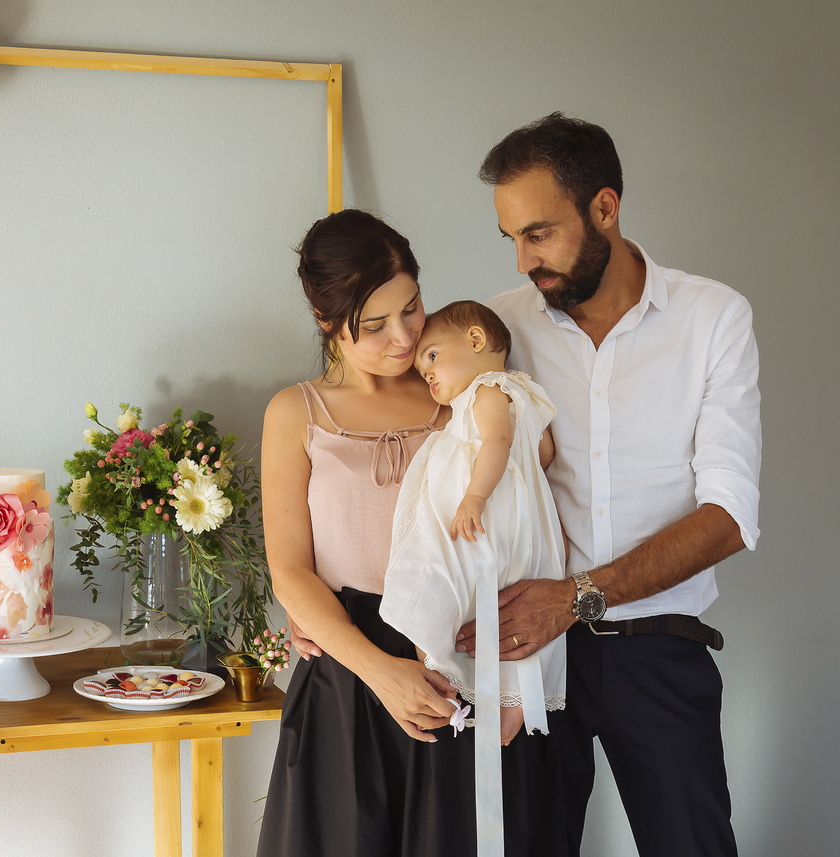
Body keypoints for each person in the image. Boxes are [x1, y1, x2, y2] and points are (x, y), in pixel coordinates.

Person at [462, 112, 761, 857]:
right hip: (531, 652)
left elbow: (728, 514)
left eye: (540, 232)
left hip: (658, 648)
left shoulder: (712, 318)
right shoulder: (495, 331)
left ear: (605, 207)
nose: (527, 259)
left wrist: (577, 595)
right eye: (513, 240)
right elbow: (416, 446)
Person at [256, 209, 564, 857]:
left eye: (412, 308)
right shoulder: (295, 413)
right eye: (374, 325)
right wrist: (379, 671)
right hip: (348, 674)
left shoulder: (459, 393)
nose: (402, 338)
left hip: (460, 654)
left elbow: (530, 478)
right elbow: (290, 569)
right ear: (326, 322)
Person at [381, 300, 566, 750]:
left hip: (484, 516)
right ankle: (516, 702)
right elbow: (543, 454)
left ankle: (436, 667)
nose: (426, 374)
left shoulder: (486, 389)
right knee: (510, 617)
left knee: (441, 578)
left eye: (432, 357)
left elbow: (498, 440)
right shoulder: (522, 392)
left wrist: (476, 495)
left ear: (477, 341)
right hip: (523, 528)